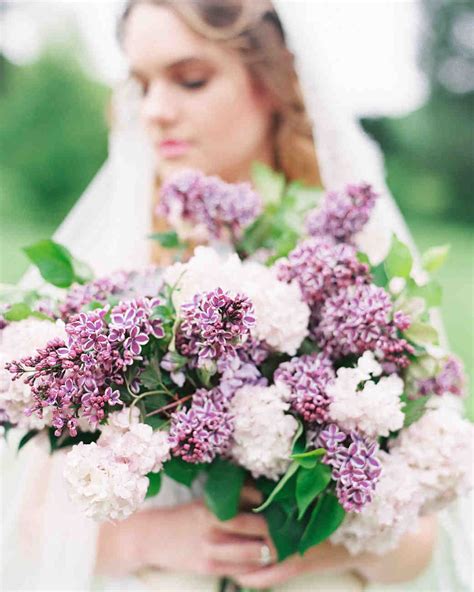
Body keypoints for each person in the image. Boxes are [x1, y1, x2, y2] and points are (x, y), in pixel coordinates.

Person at [1, 2, 470, 592]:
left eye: (190, 79)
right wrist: (153, 537)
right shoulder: (119, 281)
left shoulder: (356, 271)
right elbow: (34, 524)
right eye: (140, 84)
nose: (155, 112)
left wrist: (312, 549)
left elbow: (427, 530)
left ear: (270, 81)